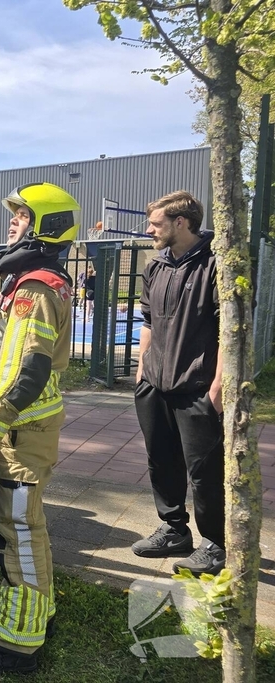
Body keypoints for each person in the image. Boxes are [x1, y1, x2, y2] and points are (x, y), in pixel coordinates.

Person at [0, 182, 78, 674]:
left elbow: (26, 372)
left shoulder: (34, 289)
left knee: (17, 537)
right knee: (23, 531)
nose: (13, 222)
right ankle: (37, 612)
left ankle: (15, 644)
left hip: (16, 438)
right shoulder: (25, 282)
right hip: (20, 434)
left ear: (47, 226)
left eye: (23, 216)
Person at [130, 190, 225, 576]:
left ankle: (215, 544)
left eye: (156, 224)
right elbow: (148, 321)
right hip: (155, 385)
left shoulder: (216, 265)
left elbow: (229, 331)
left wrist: (217, 387)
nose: (150, 230)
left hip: (197, 388)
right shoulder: (155, 266)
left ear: (180, 223)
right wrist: (142, 370)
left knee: (204, 473)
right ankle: (174, 530)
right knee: (161, 461)